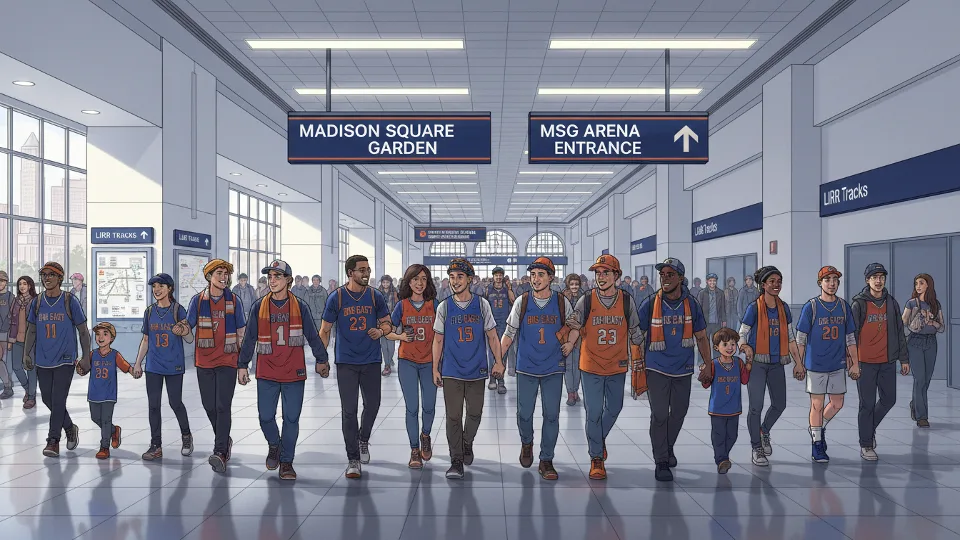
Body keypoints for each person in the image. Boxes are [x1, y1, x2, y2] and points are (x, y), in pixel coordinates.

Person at [239, 260, 329, 481]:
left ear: (288, 280)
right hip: (266, 370)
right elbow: (249, 338)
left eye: (277, 276)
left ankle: (287, 461)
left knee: (291, 418)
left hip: (293, 371)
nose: (272, 280)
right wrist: (242, 365)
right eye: (270, 276)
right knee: (265, 417)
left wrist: (322, 359)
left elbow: (312, 336)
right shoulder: (258, 306)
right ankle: (274, 445)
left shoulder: (300, 306)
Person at [500, 257, 579, 481]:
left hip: (553, 367)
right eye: (533, 275)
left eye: (541, 275)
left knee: (551, 415)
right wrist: (499, 359)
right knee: (524, 414)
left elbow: (575, 327)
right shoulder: (522, 301)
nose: (535, 279)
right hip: (526, 366)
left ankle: (546, 459)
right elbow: (509, 333)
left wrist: (570, 343)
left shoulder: (562, 302)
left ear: (551, 278)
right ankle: (527, 443)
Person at [568, 254, 645, 481]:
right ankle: (596, 458)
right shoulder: (586, 300)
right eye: (598, 273)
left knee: (614, 408)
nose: (601, 277)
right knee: (593, 412)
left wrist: (640, 359)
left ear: (616, 276)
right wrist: (569, 343)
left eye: (606, 273)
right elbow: (574, 326)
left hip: (617, 365)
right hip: (590, 364)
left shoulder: (627, 301)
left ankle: (598, 440)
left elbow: (635, 332)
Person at [637, 258, 712, 482]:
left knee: (679, 413)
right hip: (656, 367)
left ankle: (667, 446)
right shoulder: (650, 303)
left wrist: (708, 364)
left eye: (670, 274)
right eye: (662, 275)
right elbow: (637, 335)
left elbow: (701, 336)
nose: (665, 278)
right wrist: (636, 365)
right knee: (660, 414)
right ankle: (661, 460)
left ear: (680, 278)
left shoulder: (692, 304)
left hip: (683, 368)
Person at [320, 255, 392, 480]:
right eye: (362, 270)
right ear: (350, 273)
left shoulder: (375, 296)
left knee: (373, 404)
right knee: (349, 410)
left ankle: (363, 439)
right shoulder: (337, 297)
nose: (366, 273)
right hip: (346, 362)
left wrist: (381, 331)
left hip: (371, 360)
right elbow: (325, 329)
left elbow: (387, 323)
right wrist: (322, 359)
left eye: (368, 269)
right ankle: (353, 458)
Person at [432, 258, 503, 480]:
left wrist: (499, 361)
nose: (455, 281)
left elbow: (492, 336)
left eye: (460, 277)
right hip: (451, 370)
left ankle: (466, 442)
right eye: (452, 277)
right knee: (453, 416)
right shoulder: (444, 306)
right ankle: (456, 459)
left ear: (469, 279)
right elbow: (438, 340)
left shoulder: (482, 304)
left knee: (474, 413)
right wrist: (435, 368)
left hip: (477, 368)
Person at [177, 259, 247, 473]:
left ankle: (220, 451)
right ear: (209, 276)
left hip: (228, 360)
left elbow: (241, 331)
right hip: (204, 361)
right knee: (209, 405)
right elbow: (189, 325)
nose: (224, 277)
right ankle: (225, 439)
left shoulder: (234, 301)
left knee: (223, 406)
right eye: (219, 273)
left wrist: (242, 364)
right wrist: (182, 329)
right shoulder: (198, 301)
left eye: (226, 274)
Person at [23, 262, 92, 457]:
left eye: (51, 275)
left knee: (58, 399)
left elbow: (83, 331)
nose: (47, 278)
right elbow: (31, 329)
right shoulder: (37, 302)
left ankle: (53, 441)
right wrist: (26, 353)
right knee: (47, 398)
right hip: (43, 359)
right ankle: (69, 426)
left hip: (65, 359)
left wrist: (86, 357)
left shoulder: (70, 300)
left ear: (60, 278)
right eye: (44, 274)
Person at [738, 266, 802, 467]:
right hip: (757, 364)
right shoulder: (754, 308)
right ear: (763, 285)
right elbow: (742, 333)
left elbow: (790, 337)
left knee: (779, 404)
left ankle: (764, 430)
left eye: (779, 281)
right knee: (755, 407)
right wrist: (744, 346)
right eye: (772, 281)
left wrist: (798, 363)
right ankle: (756, 447)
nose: (776, 285)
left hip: (776, 364)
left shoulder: (784, 308)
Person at [796, 266, 860, 464]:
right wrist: (799, 363)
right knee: (817, 404)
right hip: (816, 364)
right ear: (820, 283)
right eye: (827, 280)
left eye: (835, 280)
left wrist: (855, 363)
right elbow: (801, 338)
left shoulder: (843, 306)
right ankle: (817, 442)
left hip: (837, 363)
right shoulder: (811, 307)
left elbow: (850, 338)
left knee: (837, 403)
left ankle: (818, 427)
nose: (832, 283)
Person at [133, 273, 194, 461]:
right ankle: (156, 445)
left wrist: (183, 330)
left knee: (175, 403)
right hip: (153, 366)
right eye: (154, 287)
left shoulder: (178, 310)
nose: (157, 290)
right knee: (153, 406)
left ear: (169, 289)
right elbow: (146, 340)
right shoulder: (149, 312)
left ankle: (186, 436)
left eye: (161, 286)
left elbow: (189, 338)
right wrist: (138, 363)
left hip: (174, 365)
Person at [851, 263, 909, 460]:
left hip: (887, 361)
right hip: (865, 362)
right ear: (867, 280)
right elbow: (851, 335)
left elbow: (899, 332)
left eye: (881, 277)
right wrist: (852, 361)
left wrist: (903, 359)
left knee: (889, 399)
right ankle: (866, 444)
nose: (878, 281)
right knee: (866, 404)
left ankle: (868, 429)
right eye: (874, 277)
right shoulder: (859, 304)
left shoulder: (891, 303)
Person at [386, 264, 439, 469]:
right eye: (415, 279)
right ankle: (414, 449)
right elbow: (387, 331)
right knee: (412, 407)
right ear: (408, 282)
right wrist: (400, 336)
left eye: (424, 279)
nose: (419, 283)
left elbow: (443, 334)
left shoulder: (434, 305)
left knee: (429, 406)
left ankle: (425, 435)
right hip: (407, 360)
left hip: (430, 362)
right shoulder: (402, 305)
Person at [701, 327, 750, 474]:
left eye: (733, 344)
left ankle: (724, 457)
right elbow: (706, 384)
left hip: (734, 408)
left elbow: (744, 380)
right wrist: (704, 373)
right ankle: (721, 459)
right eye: (725, 344)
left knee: (732, 435)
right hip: (717, 408)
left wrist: (749, 364)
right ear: (717, 347)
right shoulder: (713, 364)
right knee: (718, 435)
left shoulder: (738, 363)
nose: (730, 347)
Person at [83, 322, 132, 460]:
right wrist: (79, 367)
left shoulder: (115, 355)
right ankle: (114, 430)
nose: (101, 337)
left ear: (112, 338)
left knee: (105, 420)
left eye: (105, 334)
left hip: (109, 393)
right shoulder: (92, 354)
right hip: (94, 393)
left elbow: (125, 366)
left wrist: (133, 371)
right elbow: (84, 369)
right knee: (95, 417)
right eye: (98, 334)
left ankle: (104, 447)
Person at [902, 273, 946, 428]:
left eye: (921, 283)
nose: (918, 286)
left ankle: (915, 403)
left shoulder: (935, 304)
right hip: (915, 342)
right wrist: (915, 321)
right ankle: (922, 417)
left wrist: (933, 323)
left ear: (928, 285)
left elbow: (942, 327)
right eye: (916, 283)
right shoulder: (911, 303)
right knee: (919, 379)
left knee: (926, 380)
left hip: (931, 343)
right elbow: (903, 323)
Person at [483, 267, 516, 395]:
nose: (498, 277)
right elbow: (484, 306)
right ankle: (492, 378)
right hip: (491, 325)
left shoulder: (506, 289)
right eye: (496, 275)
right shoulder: (488, 289)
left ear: (503, 276)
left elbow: (513, 302)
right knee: (492, 352)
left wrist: (510, 289)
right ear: (493, 277)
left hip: (504, 324)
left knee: (503, 352)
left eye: (500, 275)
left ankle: (501, 381)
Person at [8, 276, 38, 409]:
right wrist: (10, 339)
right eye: (20, 284)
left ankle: (31, 397)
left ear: (30, 286)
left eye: (25, 284)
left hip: (31, 340)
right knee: (16, 367)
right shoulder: (16, 301)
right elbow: (12, 322)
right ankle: (27, 389)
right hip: (17, 339)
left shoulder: (35, 301)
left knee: (31, 368)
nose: (22, 286)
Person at [562, 273, 586, 406]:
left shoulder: (585, 297)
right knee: (568, 366)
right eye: (572, 284)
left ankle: (575, 391)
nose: (574, 286)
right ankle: (570, 392)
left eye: (576, 284)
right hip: (566, 336)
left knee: (578, 366)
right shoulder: (562, 298)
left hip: (581, 336)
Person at [697, 274, 727, 358]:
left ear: (716, 282)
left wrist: (724, 320)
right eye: (710, 281)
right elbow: (698, 308)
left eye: (714, 281)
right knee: (703, 342)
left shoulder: (720, 293)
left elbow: (723, 308)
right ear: (707, 282)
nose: (712, 282)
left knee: (716, 342)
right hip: (705, 323)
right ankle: (702, 360)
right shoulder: (702, 293)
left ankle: (717, 359)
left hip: (716, 322)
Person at [377, 275, 399, 376]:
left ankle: (389, 360)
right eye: (384, 282)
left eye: (387, 282)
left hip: (392, 321)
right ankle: (387, 365)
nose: (385, 284)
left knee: (391, 346)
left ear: (390, 283)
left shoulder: (394, 293)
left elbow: (397, 308)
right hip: (381, 322)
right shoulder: (377, 293)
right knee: (384, 346)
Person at [0, 271, 14, 399]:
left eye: (2, 280)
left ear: (6, 282)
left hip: (4, 333)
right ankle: (7, 384)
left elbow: (12, 315)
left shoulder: (10, 297)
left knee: (2, 360)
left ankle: (8, 386)